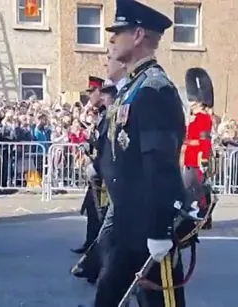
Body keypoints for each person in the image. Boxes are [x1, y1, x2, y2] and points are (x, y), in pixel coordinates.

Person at [82, 1, 187, 306]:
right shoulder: (133, 88)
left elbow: (160, 165)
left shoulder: (155, 90)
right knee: (109, 295)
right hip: (128, 223)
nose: (112, 39)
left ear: (139, 34)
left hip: (147, 224)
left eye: (119, 31)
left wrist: (158, 230)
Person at [72, 76, 105, 256]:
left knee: (98, 212)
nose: (89, 96)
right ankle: (90, 245)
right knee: (92, 210)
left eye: (92, 92)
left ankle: (95, 248)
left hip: (103, 171)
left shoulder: (105, 114)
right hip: (97, 169)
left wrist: (91, 144)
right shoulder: (99, 114)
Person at [182, 67, 214, 229]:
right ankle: (200, 215)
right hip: (190, 157)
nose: (190, 103)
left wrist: (204, 159)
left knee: (195, 189)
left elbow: (205, 140)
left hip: (197, 158)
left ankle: (204, 215)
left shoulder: (204, 118)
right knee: (192, 189)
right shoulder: (194, 119)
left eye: (192, 100)